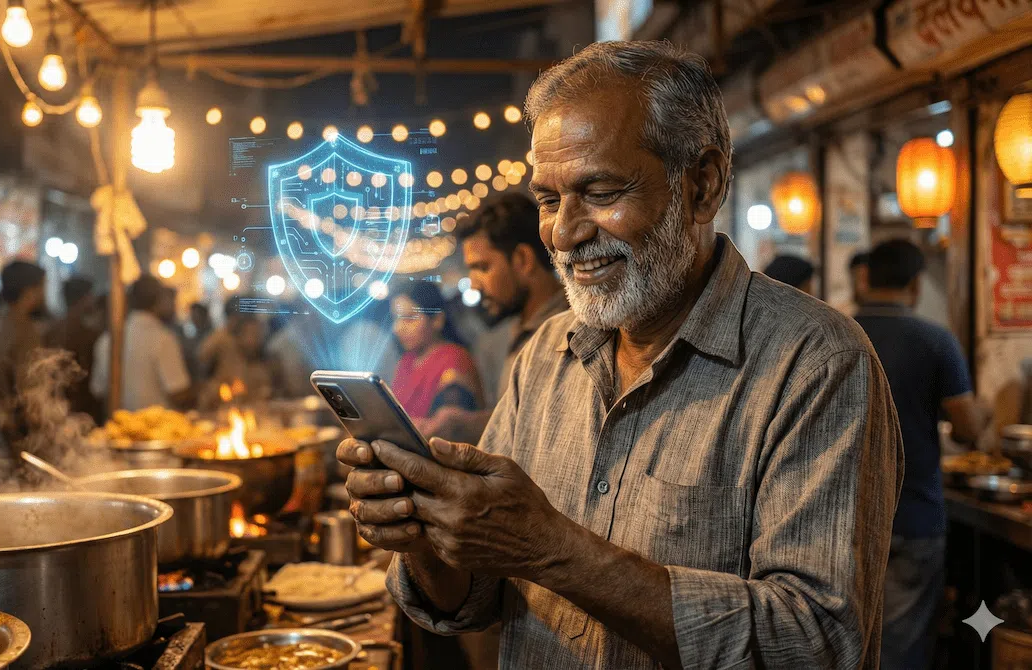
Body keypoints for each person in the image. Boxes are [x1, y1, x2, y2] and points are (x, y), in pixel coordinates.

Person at [338, 41, 902, 669]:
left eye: (601, 191)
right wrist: (423, 535)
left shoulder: (815, 365)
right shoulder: (545, 357)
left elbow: (817, 646)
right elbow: (475, 597)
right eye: (549, 201)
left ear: (702, 185)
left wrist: (553, 549)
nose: (565, 232)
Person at [855, 239, 990, 669]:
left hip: (844, 519)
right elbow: (968, 430)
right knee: (901, 647)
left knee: (844, 642)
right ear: (915, 284)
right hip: (914, 515)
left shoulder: (835, 331)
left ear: (866, 279)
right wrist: (985, 411)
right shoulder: (936, 341)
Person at [425, 194, 568, 443]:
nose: (474, 284)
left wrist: (464, 425)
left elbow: (551, 434)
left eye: (482, 267)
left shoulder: (571, 330)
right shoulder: (516, 328)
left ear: (523, 260)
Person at [91, 275, 193, 412]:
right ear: (158, 301)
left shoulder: (107, 339)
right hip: (158, 429)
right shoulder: (162, 339)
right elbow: (177, 393)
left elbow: (98, 391)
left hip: (119, 427)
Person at [390, 281, 483, 422]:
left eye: (409, 318)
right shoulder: (407, 360)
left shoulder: (454, 360)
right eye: (395, 318)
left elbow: (450, 428)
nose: (397, 328)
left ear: (437, 320)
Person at [0, 261, 47, 405]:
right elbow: (29, 386)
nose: (44, 293)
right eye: (43, 287)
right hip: (11, 416)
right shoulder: (23, 328)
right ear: (30, 291)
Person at [196, 297, 278, 408]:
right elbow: (202, 357)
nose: (256, 339)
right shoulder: (223, 340)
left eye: (258, 334)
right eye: (252, 334)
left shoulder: (265, 360)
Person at [43, 276, 102, 421]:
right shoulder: (86, 334)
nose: (93, 300)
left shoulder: (52, 330)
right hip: (80, 407)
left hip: (58, 404)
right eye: (91, 295)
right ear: (84, 298)